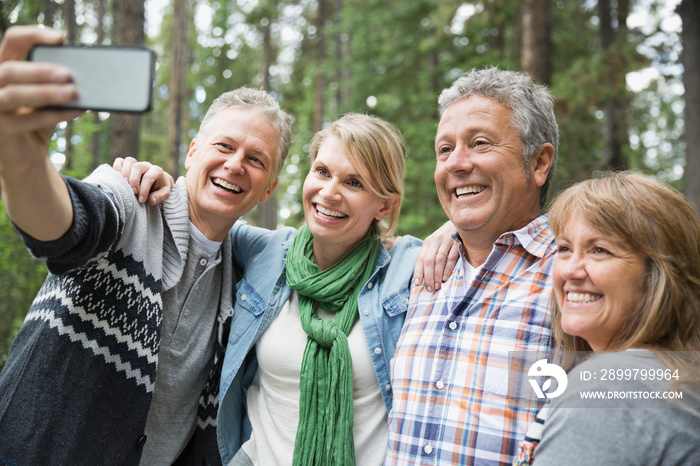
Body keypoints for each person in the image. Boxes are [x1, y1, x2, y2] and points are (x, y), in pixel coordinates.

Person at [0, 26, 292, 465]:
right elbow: (63, 228)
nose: (235, 165)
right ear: (193, 152)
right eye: (224, 146)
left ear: (268, 189)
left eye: (256, 160)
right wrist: (21, 159)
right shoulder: (130, 199)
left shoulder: (245, 276)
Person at [386, 66, 559, 465]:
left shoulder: (574, 275)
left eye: (480, 143)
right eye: (444, 149)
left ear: (539, 163)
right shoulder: (414, 273)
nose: (455, 164)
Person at [513, 171, 700, 465]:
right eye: (564, 249)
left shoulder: (609, 387)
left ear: (659, 276)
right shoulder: (676, 373)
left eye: (600, 250)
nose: (571, 270)